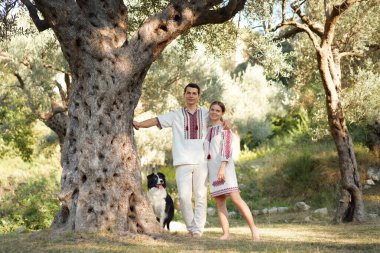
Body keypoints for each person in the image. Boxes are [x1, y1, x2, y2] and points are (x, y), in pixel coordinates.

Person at [133, 83, 210, 237]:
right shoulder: (176, 115)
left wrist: (226, 123)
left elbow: (219, 120)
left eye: (194, 93)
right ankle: (191, 227)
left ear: (198, 96)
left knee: (201, 195)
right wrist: (140, 124)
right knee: (183, 197)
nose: (191, 96)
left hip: (202, 161)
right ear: (184, 95)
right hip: (182, 162)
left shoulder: (206, 114)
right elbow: (156, 120)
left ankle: (198, 230)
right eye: (188, 93)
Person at [204, 101, 260, 241]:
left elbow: (227, 149)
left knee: (236, 199)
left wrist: (222, 167)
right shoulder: (207, 130)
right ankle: (226, 234)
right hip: (212, 169)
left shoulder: (225, 130)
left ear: (222, 113)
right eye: (212, 109)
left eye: (218, 110)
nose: (214, 112)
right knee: (220, 202)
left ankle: (254, 231)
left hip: (225, 168)